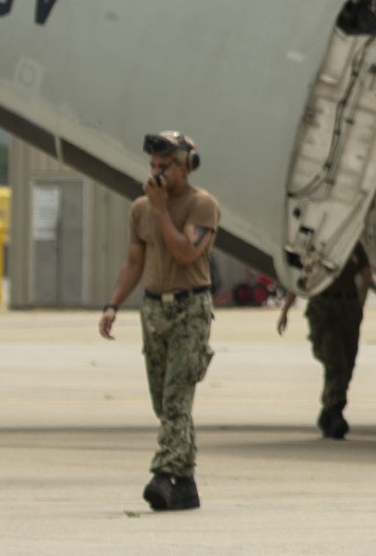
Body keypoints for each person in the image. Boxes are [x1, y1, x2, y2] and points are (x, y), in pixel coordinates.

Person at [98, 130, 221, 513]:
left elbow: (186, 253)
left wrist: (161, 211)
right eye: (153, 166)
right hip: (153, 310)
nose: (156, 174)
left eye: (164, 166)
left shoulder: (202, 206)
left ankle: (162, 477)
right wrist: (113, 304)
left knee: (176, 398)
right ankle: (184, 483)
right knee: (163, 401)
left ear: (184, 168)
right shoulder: (141, 209)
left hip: (190, 310)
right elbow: (134, 262)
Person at [277, 243, 376, 439]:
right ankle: (335, 412)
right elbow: (298, 280)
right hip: (324, 308)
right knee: (335, 362)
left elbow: (367, 273)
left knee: (348, 362)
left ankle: (328, 412)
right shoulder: (318, 243)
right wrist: (285, 312)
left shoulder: (353, 245)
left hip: (349, 308)